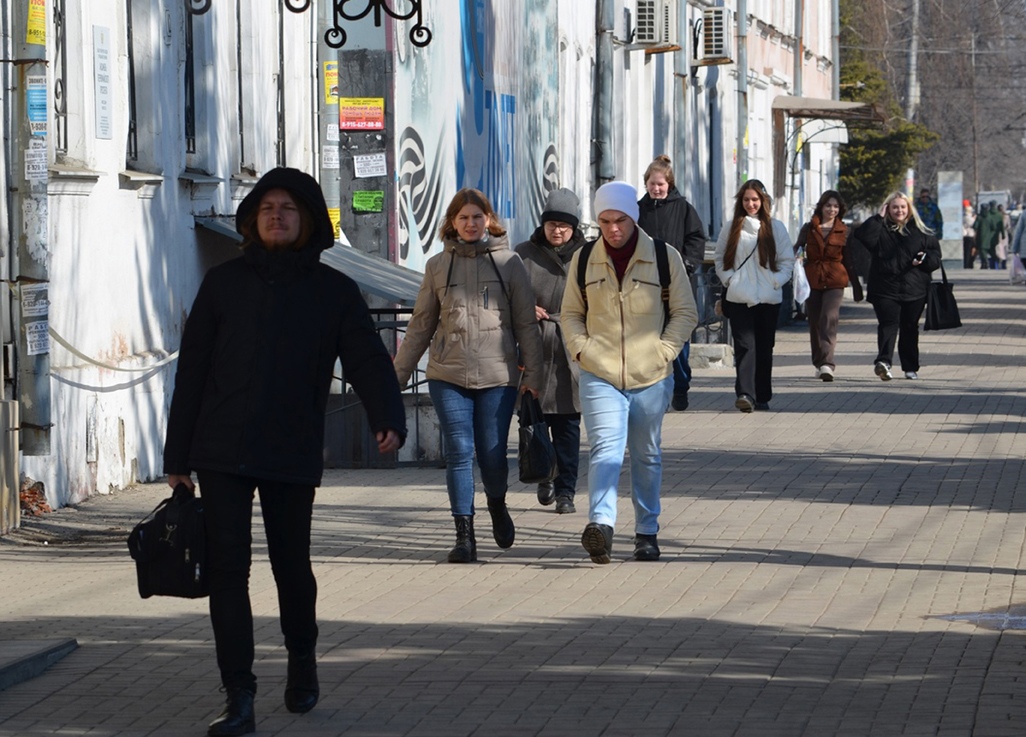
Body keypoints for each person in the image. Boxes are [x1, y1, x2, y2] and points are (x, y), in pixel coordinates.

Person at [163, 167, 407, 737]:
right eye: (267, 207)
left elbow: (367, 359)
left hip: (291, 447)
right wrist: (178, 459)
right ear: (252, 218)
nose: (276, 215)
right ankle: (239, 695)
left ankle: (301, 657)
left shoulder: (333, 291)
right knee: (227, 571)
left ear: (308, 223)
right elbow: (192, 371)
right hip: (221, 450)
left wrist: (387, 415)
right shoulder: (223, 285)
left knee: (290, 566)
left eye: (288, 209)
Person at [393, 188, 542, 563]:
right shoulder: (437, 266)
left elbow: (526, 324)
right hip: (448, 373)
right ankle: (464, 536)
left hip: (498, 375)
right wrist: (394, 378)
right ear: (452, 223)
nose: (471, 224)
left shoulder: (510, 264)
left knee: (492, 455)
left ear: (488, 220)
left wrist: (533, 375)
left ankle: (496, 501)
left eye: (477, 217)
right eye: (463, 218)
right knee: (459, 451)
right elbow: (421, 325)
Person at [561, 181, 698, 564]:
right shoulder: (585, 258)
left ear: (633, 218)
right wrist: (581, 349)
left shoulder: (662, 255)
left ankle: (646, 532)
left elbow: (686, 312)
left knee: (647, 454)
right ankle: (601, 527)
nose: (613, 229)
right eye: (604, 221)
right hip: (599, 371)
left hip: (651, 373)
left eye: (620, 220)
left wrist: (664, 351)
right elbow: (570, 313)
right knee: (605, 449)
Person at [514, 188, 586, 515]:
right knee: (535, 422)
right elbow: (508, 297)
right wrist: (526, 307)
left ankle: (566, 490)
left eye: (565, 226)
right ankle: (543, 473)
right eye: (552, 224)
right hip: (534, 352)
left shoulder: (587, 256)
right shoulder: (524, 254)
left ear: (575, 227)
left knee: (569, 428)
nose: (557, 231)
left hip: (571, 351)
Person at [714, 179, 794, 412]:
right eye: (747, 199)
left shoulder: (776, 227)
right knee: (745, 345)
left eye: (755, 200)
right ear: (741, 201)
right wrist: (730, 279)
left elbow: (787, 261)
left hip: (768, 297)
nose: (751, 204)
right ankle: (745, 394)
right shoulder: (731, 227)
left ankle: (762, 395)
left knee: (764, 347)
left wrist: (775, 281)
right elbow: (720, 258)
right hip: (739, 296)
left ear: (763, 201)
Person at [636, 155, 707, 411]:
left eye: (661, 184)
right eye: (652, 184)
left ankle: (680, 384)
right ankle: (656, 388)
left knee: (677, 335)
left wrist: (687, 263)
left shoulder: (683, 208)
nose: (656, 189)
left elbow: (697, 238)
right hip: (644, 284)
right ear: (646, 184)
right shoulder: (637, 210)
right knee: (649, 336)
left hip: (677, 282)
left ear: (670, 184)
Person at [853, 191, 941, 381]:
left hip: (915, 289)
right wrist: (878, 217)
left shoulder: (921, 231)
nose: (899, 210)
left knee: (910, 327)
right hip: (885, 288)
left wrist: (924, 259)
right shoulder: (879, 229)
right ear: (888, 209)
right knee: (888, 324)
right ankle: (884, 362)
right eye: (894, 207)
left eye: (902, 207)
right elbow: (862, 235)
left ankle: (910, 367)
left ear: (909, 209)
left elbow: (935, 258)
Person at [793, 190, 864, 381]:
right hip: (812, 279)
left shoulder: (844, 231)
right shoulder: (809, 228)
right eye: (828, 205)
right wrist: (797, 258)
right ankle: (818, 361)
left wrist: (856, 286)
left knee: (829, 318)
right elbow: (797, 249)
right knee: (814, 321)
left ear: (840, 209)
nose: (831, 209)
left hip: (835, 280)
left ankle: (827, 363)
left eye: (835, 206)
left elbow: (849, 260)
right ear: (821, 207)